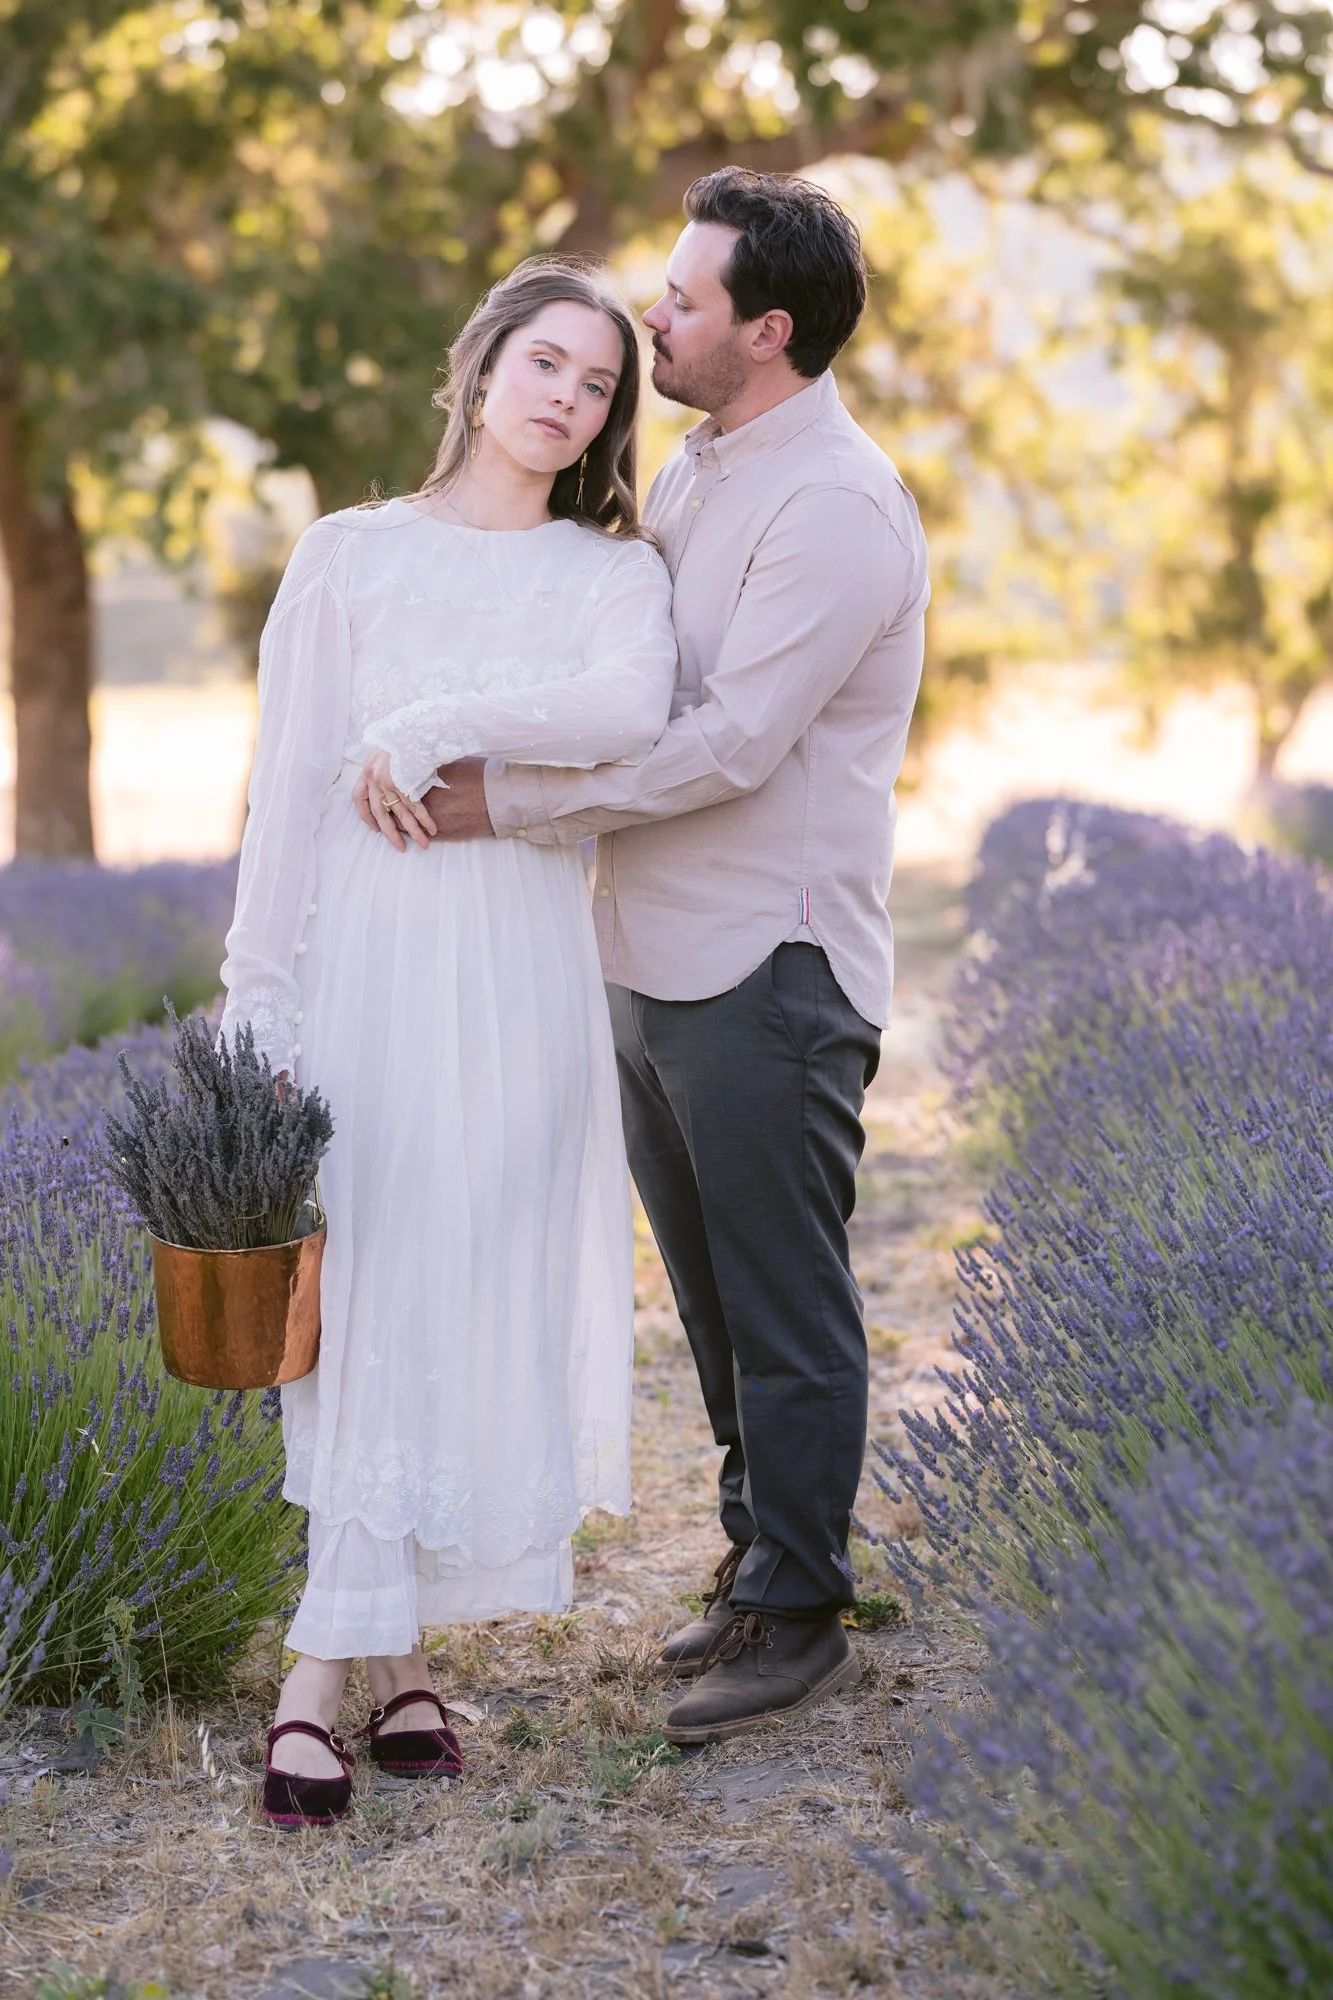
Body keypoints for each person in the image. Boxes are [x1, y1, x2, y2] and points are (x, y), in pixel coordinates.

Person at [365, 168, 930, 1745]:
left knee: (786, 1301)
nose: (652, 318)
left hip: (767, 963)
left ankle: (802, 1613)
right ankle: (757, 1562)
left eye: (682, 300)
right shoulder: (696, 468)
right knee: (715, 1298)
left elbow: (732, 743)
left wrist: (507, 805)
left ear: (768, 330)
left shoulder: (833, 506)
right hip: (645, 951)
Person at [219, 260, 677, 1826]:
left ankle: (376, 1662)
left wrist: (426, 728)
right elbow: (287, 796)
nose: (568, 398)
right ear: (483, 367)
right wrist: (255, 999)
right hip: (366, 970)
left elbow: (627, 707)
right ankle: (335, 1676)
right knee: (371, 1292)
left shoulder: (611, 575)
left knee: (461, 1286)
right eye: (546, 362)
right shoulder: (347, 557)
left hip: (522, 978)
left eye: (599, 384)